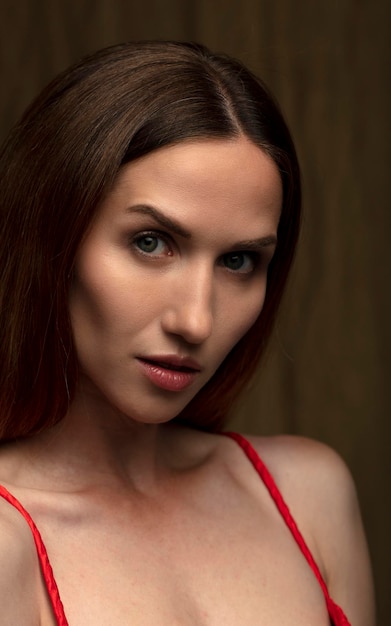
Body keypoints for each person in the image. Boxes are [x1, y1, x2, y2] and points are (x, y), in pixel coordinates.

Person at [0, 41, 374, 626]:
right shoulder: (7, 546)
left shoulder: (309, 497)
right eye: (151, 242)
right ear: (53, 238)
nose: (196, 320)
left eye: (239, 261)